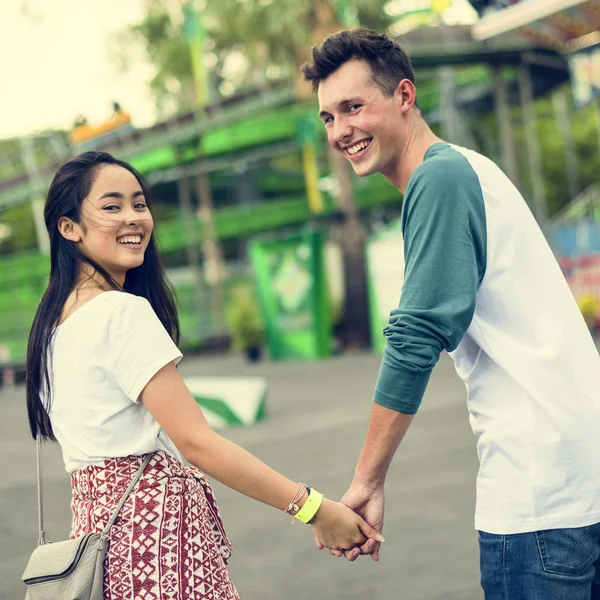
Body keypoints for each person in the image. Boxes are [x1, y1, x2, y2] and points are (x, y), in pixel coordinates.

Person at [302, 28, 600, 599]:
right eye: (328, 118)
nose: (340, 131)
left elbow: (416, 335)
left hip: (539, 494)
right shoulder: (467, 169)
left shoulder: (439, 178)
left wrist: (367, 478)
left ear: (405, 96)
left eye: (353, 107)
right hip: (577, 474)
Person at [25, 151, 383, 599]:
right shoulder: (120, 312)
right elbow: (198, 442)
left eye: (139, 203)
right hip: (154, 543)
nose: (134, 218)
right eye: (111, 206)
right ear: (69, 227)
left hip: (99, 545)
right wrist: (314, 509)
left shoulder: (54, 325)